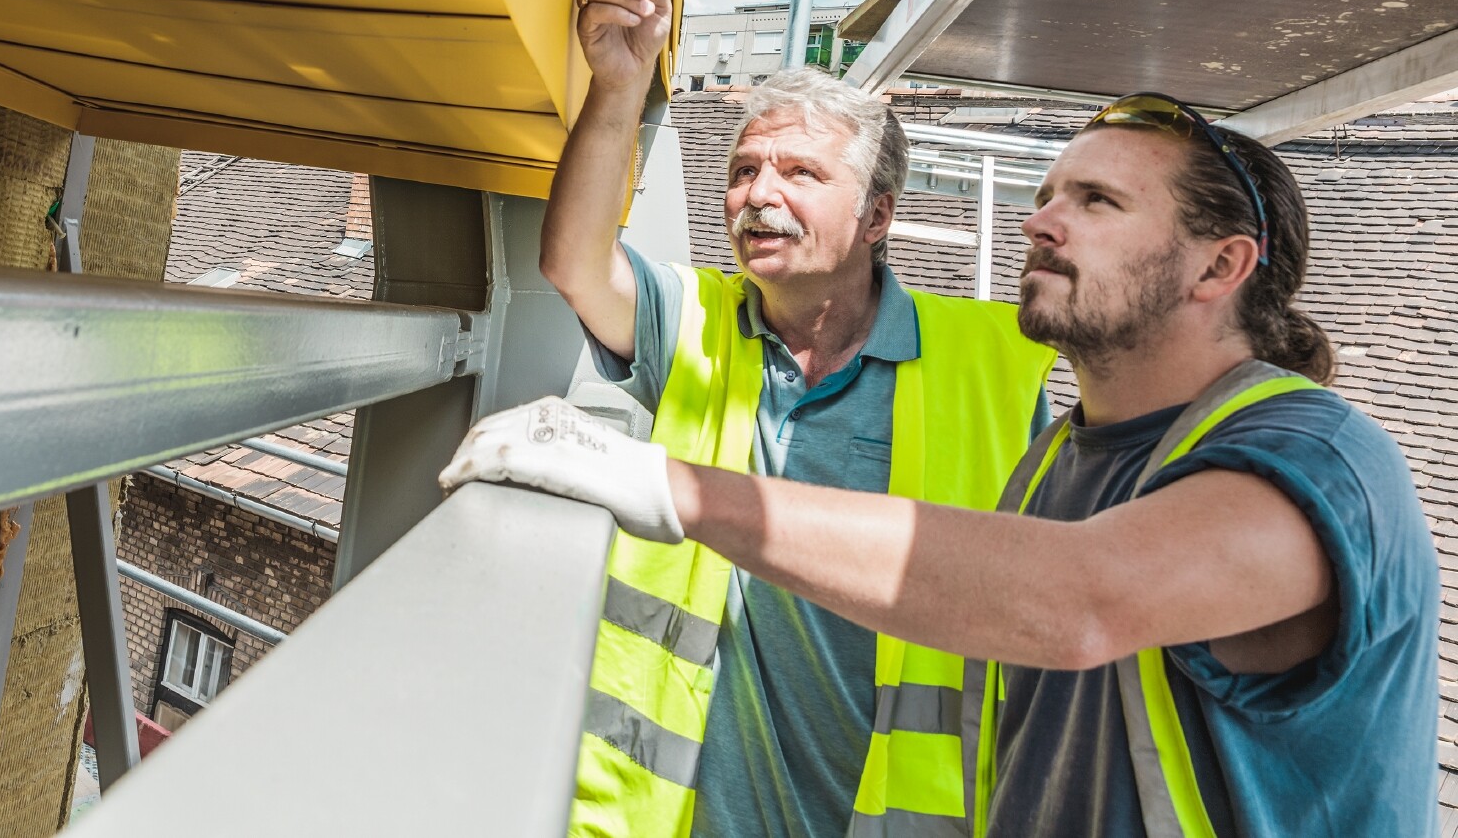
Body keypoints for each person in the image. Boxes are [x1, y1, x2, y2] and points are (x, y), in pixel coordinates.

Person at [450, 91, 1439, 836]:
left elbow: (1076, 600)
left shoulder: (1317, 459)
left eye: (1093, 201)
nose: (1036, 220)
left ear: (1218, 268)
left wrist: (668, 487)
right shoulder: (1063, 457)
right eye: (1047, 193)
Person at [537, 0, 1055, 838]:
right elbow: (577, 261)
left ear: (877, 217)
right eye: (744, 171)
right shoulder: (696, 321)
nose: (759, 196)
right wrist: (618, 84)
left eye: (800, 173)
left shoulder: (998, 366)